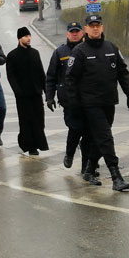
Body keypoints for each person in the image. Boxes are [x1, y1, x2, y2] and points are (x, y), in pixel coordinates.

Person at [65, 14, 129, 191]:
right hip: (89, 103)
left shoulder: (111, 48)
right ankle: (116, 176)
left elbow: (122, 72)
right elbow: (71, 80)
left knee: (99, 138)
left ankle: (89, 170)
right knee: (105, 137)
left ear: (102, 28)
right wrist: (74, 106)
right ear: (86, 30)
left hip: (108, 101)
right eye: (91, 25)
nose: (95, 28)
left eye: (98, 25)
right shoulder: (79, 51)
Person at [46, 21, 91, 172]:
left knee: (88, 132)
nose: (74, 34)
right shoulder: (60, 52)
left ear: (82, 33)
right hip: (69, 100)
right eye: (72, 32)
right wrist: (50, 97)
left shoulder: (88, 50)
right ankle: (70, 153)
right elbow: (51, 76)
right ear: (67, 34)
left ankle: (87, 167)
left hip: (87, 98)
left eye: (77, 31)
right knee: (75, 128)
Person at [6, 27, 48, 156]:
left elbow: (41, 73)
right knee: (26, 121)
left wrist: (47, 91)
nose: (28, 38)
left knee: (39, 120)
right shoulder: (12, 56)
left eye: (29, 36)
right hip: (23, 96)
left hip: (36, 93)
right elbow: (11, 76)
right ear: (20, 38)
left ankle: (39, 144)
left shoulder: (35, 53)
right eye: (25, 36)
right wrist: (18, 91)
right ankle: (29, 146)